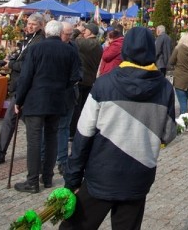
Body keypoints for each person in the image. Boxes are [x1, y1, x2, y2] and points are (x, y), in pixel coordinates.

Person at [61, 26, 177, 229]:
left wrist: (72, 179)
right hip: (138, 175)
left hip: (102, 173)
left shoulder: (104, 84)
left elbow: (83, 134)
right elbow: (167, 134)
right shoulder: (165, 88)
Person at [13, 20, 81, 193]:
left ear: (45, 33)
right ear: (59, 34)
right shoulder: (70, 50)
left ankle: (32, 181)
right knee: (51, 138)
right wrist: (62, 87)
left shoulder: (36, 49)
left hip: (36, 100)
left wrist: (18, 100)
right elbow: (75, 76)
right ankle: (48, 177)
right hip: (57, 99)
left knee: (34, 140)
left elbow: (26, 77)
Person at [0, 13, 45, 168]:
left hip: (26, 88)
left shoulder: (38, 42)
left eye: (33, 24)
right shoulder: (28, 38)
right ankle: (0, 153)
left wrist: (10, 65)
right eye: (28, 23)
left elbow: (28, 67)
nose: (29, 26)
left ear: (41, 26)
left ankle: (1, 154)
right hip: (19, 85)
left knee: (19, 122)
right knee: (14, 121)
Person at [55, 21, 81, 177]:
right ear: (59, 33)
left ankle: (62, 161)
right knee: (50, 129)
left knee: (63, 128)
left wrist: (78, 77)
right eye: (67, 34)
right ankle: (45, 161)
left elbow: (80, 67)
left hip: (69, 94)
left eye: (72, 34)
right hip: (53, 95)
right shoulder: (50, 47)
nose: (70, 36)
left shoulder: (73, 47)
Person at [70, 22, 102, 142]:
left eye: (86, 30)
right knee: (82, 106)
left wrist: (78, 30)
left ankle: (73, 132)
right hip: (90, 79)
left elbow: (71, 39)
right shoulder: (98, 45)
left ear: (91, 32)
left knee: (76, 107)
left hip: (82, 79)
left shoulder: (85, 43)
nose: (84, 31)